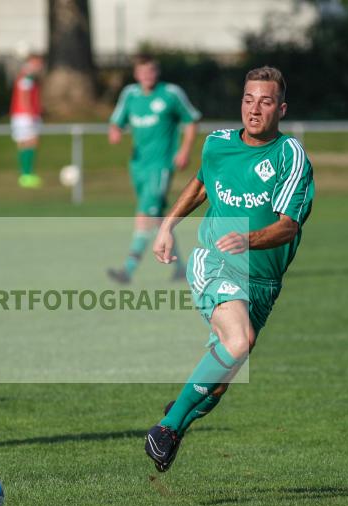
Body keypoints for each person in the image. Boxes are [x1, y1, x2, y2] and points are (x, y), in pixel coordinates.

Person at [144, 66, 314, 472]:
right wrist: (168, 226)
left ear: (281, 109)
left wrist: (250, 239)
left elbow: (288, 225)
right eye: (248, 99)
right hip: (215, 262)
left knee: (217, 382)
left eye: (266, 101)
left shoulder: (290, 156)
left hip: (264, 283)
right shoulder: (217, 144)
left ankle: (176, 423)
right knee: (240, 341)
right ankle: (166, 428)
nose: (254, 109)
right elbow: (202, 184)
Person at [106, 54, 201, 285]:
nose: (147, 76)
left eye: (151, 71)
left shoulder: (170, 93)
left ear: (156, 72)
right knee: (157, 217)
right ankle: (181, 267)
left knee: (144, 216)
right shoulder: (130, 94)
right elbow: (116, 121)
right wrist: (116, 131)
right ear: (136, 74)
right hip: (137, 165)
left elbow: (191, 120)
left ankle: (127, 270)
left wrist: (185, 150)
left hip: (161, 166)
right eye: (142, 72)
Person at [10, 54, 45, 188]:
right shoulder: (26, 78)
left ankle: (26, 174)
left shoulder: (27, 77)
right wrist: (30, 114)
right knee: (30, 142)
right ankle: (26, 175)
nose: (40, 66)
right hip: (25, 116)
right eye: (38, 63)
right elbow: (23, 97)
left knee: (26, 143)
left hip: (23, 115)